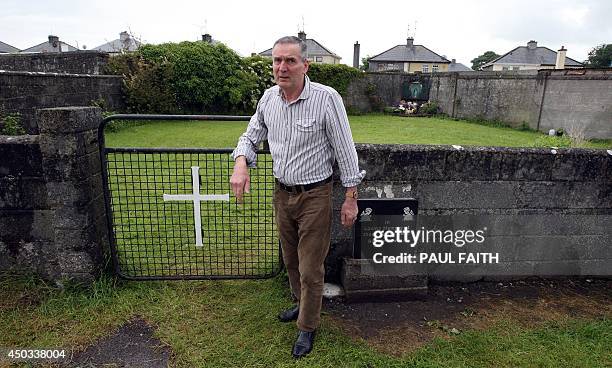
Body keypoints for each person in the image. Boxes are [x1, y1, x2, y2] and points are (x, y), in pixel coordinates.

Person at [230, 36, 363, 358]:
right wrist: (240, 163)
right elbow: (251, 135)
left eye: (290, 61)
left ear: (305, 65)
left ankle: (307, 327)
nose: (281, 67)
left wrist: (350, 197)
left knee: (310, 268)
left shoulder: (326, 98)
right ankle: (301, 304)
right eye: (276, 60)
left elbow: (345, 150)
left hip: (315, 195)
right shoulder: (268, 99)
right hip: (282, 194)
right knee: (290, 260)